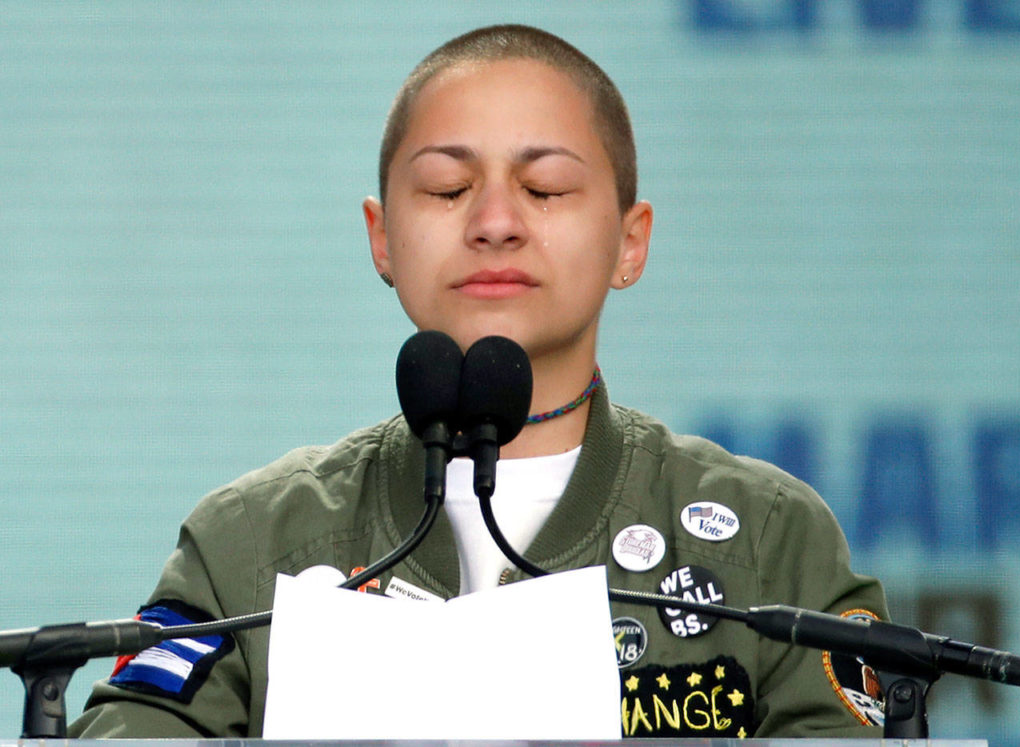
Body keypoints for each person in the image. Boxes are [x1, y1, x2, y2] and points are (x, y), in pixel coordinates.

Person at [70, 24, 888, 739]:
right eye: (448, 188)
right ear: (382, 236)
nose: (495, 221)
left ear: (630, 242)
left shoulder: (770, 540)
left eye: (545, 188)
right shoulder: (250, 541)